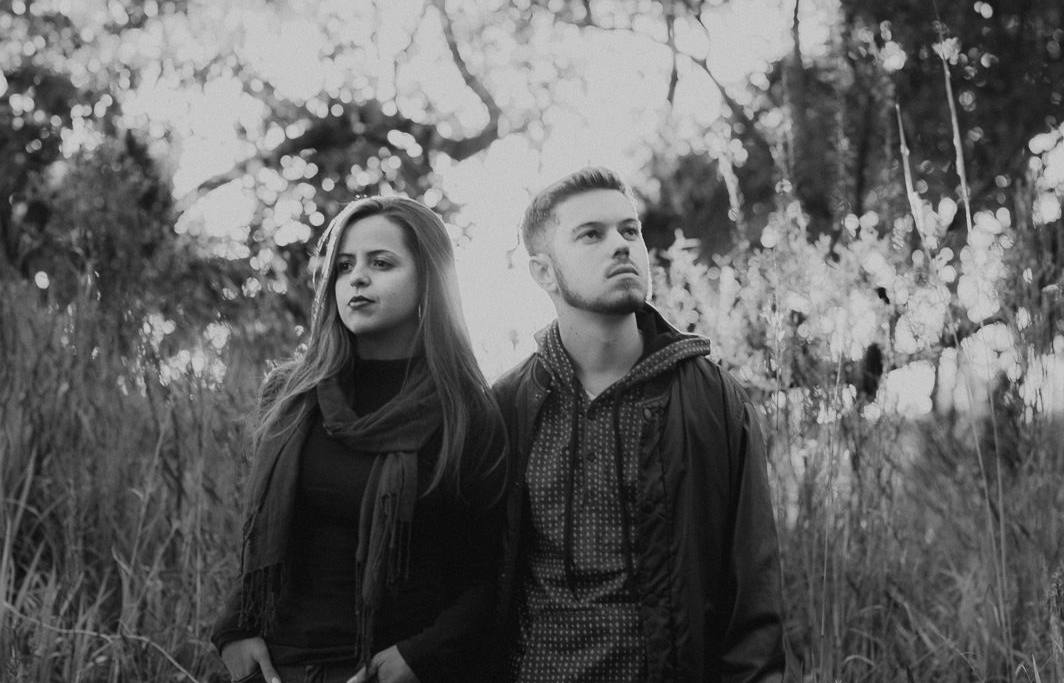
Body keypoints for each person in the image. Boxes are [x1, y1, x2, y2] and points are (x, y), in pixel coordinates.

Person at [492, 167, 789, 683]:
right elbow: (476, 585)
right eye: (591, 234)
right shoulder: (507, 407)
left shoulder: (711, 400)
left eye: (630, 230)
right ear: (544, 273)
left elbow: (754, 591)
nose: (621, 245)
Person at [211, 196, 506, 683]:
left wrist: (417, 657)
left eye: (381, 263)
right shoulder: (292, 395)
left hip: (391, 668)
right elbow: (262, 539)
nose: (357, 279)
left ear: (429, 279)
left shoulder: (464, 409)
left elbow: (488, 573)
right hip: (278, 666)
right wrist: (233, 631)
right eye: (344, 266)